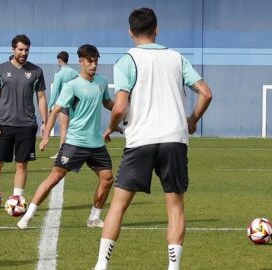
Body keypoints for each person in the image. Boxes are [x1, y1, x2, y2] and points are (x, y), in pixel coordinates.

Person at [93, 8, 212, 270]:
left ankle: (101, 265)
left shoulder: (126, 60)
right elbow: (205, 92)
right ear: (156, 29)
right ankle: (173, 267)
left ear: (130, 32)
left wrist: (112, 126)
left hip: (141, 139)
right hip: (174, 139)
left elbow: (120, 106)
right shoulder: (176, 57)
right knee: (175, 206)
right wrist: (192, 119)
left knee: (118, 205)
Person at [17, 44, 114, 230]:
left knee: (107, 179)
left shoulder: (101, 82)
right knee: (54, 178)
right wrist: (45, 136)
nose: (94, 65)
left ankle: (94, 218)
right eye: (90, 61)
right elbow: (55, 111)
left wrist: (122, 110)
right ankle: (28, 215)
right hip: (75, 142)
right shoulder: (72, 85)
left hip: (96, 143)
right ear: (81, 61)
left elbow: (108, 102)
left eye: (96, 61)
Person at [0, 34, 48, 197]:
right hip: (4, 124)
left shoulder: (36, 71)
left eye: (26, 50)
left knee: (21, 165)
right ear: (13, 49)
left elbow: (41, 98)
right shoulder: (1, 69)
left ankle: (17, 199)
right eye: (20, 49)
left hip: (27, 125)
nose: (24, 53)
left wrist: (44, 122)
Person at [48, 51, 79, 159]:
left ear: (59, 60)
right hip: (74, 105)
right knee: (72, 129)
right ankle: (72, 151)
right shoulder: (75, 73)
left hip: (63, 104)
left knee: (63, 129)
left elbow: (55, 91)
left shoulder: (59, 74)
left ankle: (62, 153)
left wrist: (50, 105)